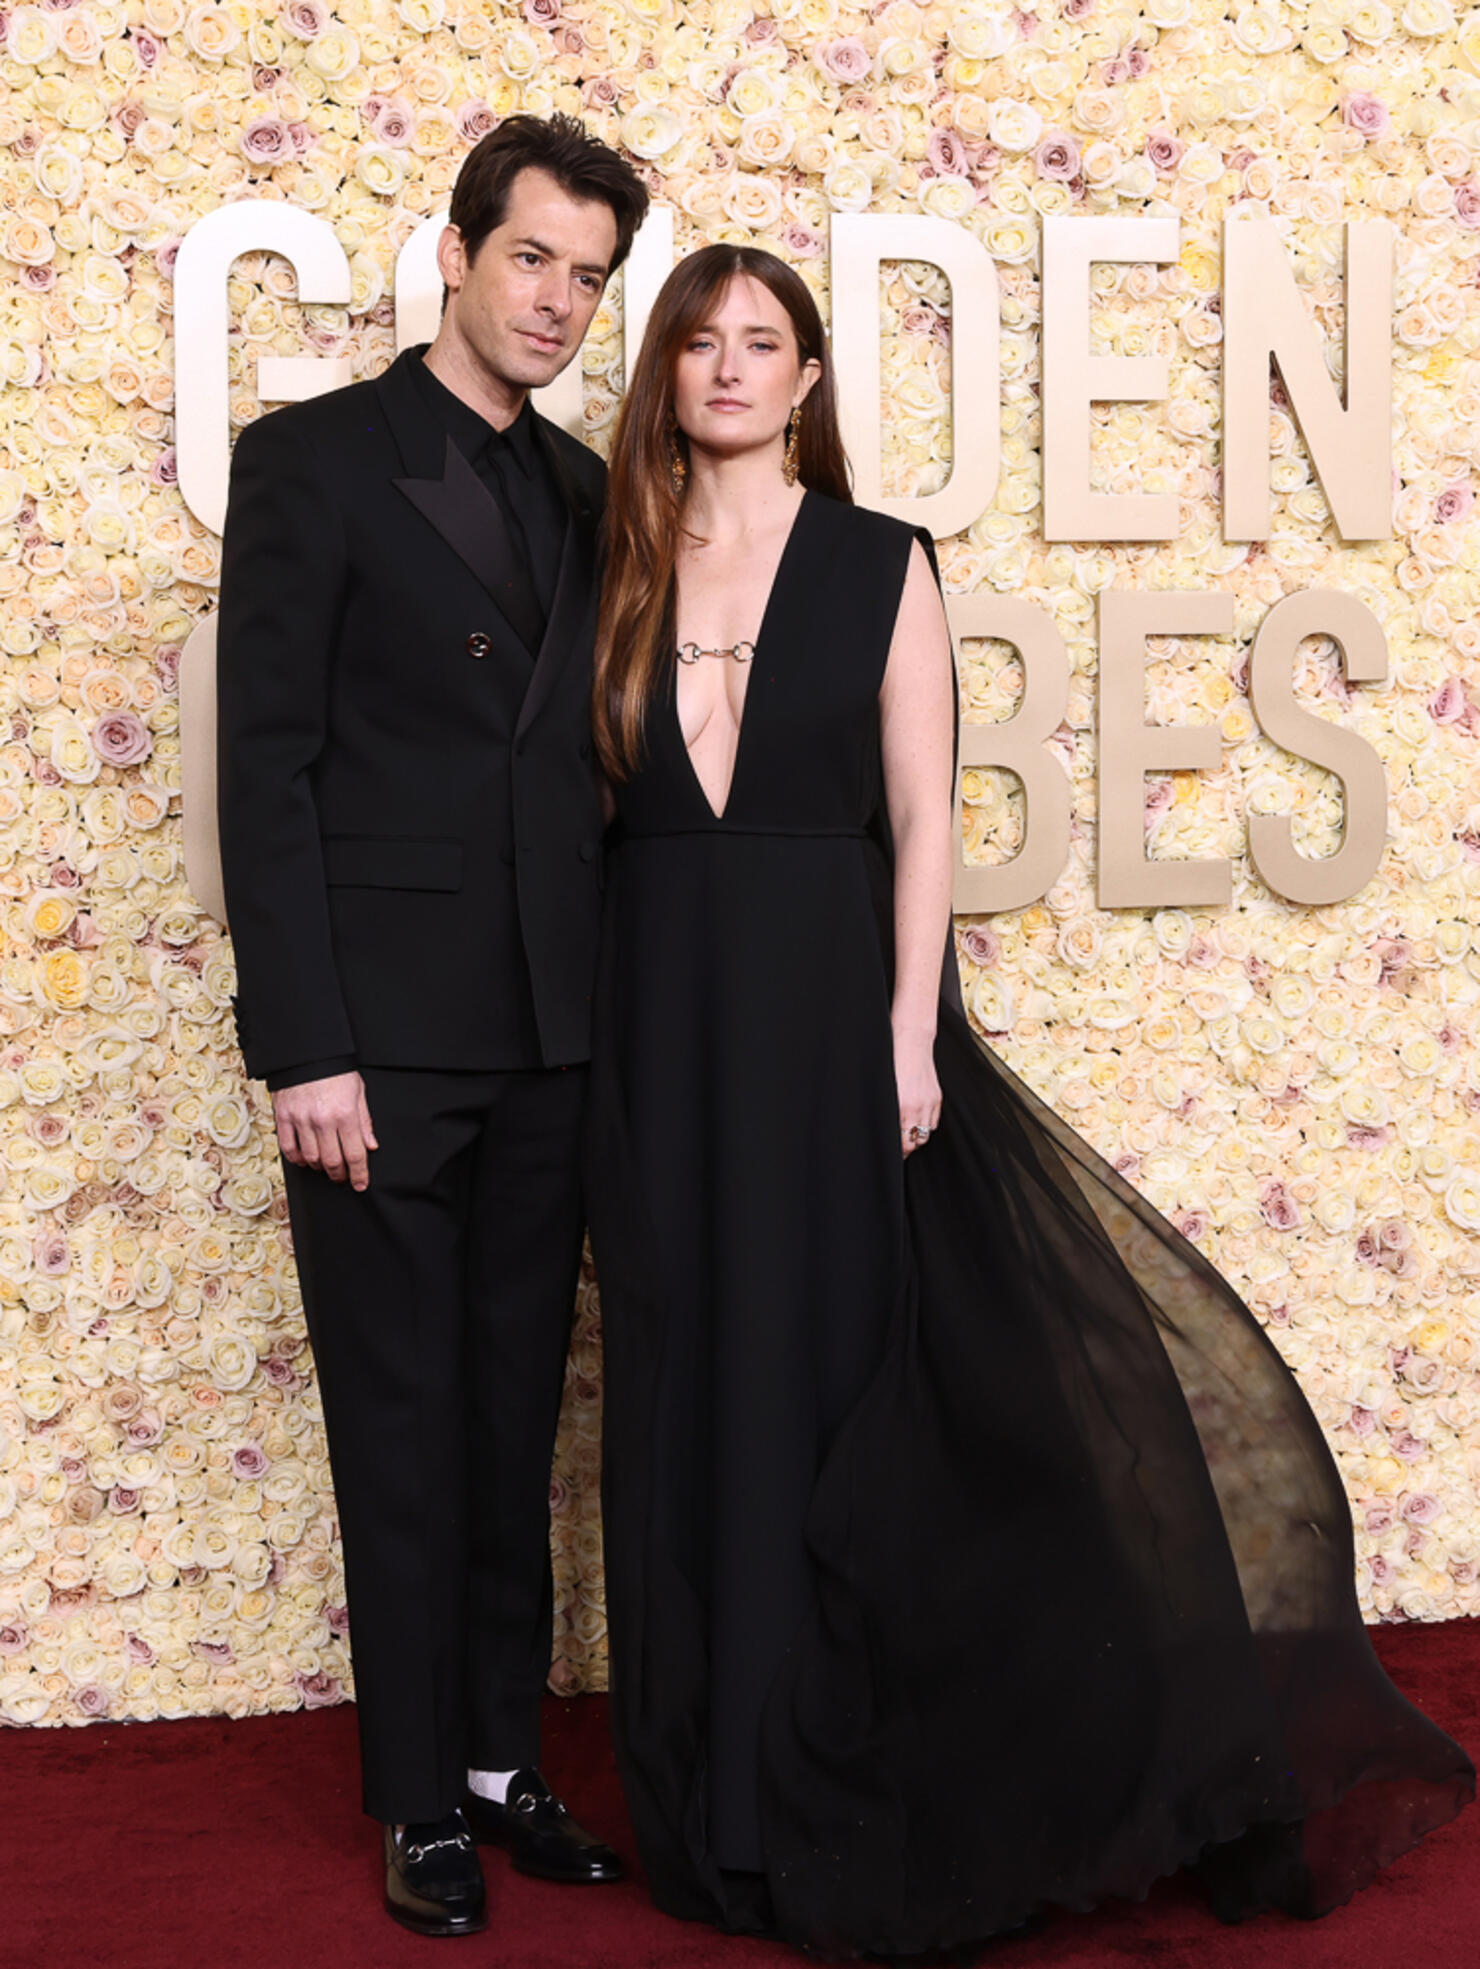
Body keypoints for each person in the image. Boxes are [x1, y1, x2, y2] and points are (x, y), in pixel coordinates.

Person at [584, 243, 1474, 1957]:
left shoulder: (879, 563)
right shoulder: (613, 554)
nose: (729, 367)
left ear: (810, 378)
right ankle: (714, 1791)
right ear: (669, 373)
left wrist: (910, 1033)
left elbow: (923, 825)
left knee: (833, 1393)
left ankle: (835, 1781)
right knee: (691, 1397)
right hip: (659, 1041)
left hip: (832, 1026)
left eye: (762, 342)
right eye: (700, 341)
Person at [216, 116, 648, 1939]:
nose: (559, 301)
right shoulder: (311, 464)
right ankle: (418, 1801)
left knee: (505, 1427)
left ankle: (495, 1761)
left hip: (554, 1036)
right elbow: (269, 772)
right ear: (457, 255)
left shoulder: (584, 496)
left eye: (591, 277)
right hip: (376, 1053)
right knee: (400, 1423)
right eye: (535, 259)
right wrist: (303, 1043)